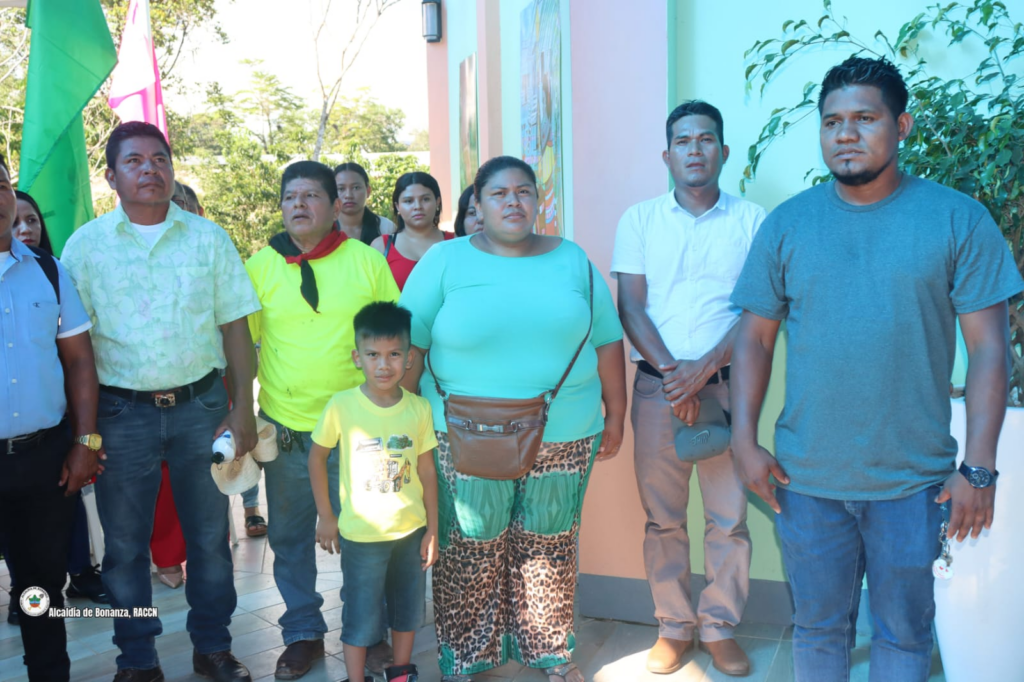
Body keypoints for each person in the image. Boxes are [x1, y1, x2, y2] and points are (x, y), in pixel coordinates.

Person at [729, 56, 1024, 682]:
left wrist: (979, 467)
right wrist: (742, 441)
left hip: (914, 483)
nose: (846, 134)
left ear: (902, 126)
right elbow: (753, 337)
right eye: (832, 121)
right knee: (818, 630)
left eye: (865, 118)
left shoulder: (957, 219)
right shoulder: (788, 225)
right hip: (806, 478)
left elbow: (989, 349)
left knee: (904, 637)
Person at [400, 155, 627, 682]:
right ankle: (465, 656)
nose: (513, 202)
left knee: (549, 543)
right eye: (498, 193)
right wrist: (401, 424)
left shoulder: (572, 260)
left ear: (538, 201)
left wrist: (616, 414)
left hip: (565, 431)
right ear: (477, 205)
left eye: (524, 191)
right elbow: (409, 344)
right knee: (469, 546)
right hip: (461, 432)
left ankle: (549, 650)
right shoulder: (444, 261)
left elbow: (608, 340)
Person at [61, 121, 261, 682]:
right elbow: (74, 348)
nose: (149, 169)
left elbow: (236, 329)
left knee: (210, 540)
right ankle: (138, 659)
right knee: (125, 547)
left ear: (171, 169)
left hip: (202, 409)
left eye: (159, 159)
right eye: (134, 161)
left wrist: (242, 410)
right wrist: (84, 431)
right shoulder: (85, 247)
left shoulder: (208, 239)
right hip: (121, 415)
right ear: (111, 176)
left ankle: (213, 648)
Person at [611, 101, 764, 677]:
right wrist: (676, 373)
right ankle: (674, 627)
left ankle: (720, 627)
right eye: (683, 140)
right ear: (667, 154)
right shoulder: (639, 220)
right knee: (663, 518)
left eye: (705, 139)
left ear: (723, 151)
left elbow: (759, 311)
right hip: (659, 390)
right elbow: (631, 306)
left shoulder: (753, 220)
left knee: (728, 518)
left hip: (728, 388)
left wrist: (702, 370)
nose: (694, 149)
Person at [244, 160, 400, 679]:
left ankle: (368, 635)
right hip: (287, 432)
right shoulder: (260, 265)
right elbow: (242, 345)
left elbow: (392, 338)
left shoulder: (366, 262)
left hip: (361, 433)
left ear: (335, 206)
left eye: (311, 195)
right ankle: (303, 633)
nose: (299, 204)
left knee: (367, 540)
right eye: (291, 196)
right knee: (289, 540)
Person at [0, 154, 104, 680]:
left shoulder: (48, 270)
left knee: (41, 587)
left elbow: (80, 361)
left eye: (0, 185)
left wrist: (86, 442)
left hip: (43, 460)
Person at [309, 301, 438, 682]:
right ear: (357, 358)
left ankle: (400, 672)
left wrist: (432, 529)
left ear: (409, 358)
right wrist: (326, 516)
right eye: (373, 355)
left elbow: (427, 471)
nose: (384, 365)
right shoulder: (342, 406)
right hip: (361, 536)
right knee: (361, 614)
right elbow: (316, 458)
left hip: (410, 532)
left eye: (394, 354)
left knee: (407, 611)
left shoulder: (419, 409)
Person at [169, 181, 268, 538]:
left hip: (221, 372)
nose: (176, 209)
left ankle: (251, 507)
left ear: (199, 211)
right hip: (183, 378)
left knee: (236, 438)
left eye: (182, 203)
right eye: (171, 203)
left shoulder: (213, 246)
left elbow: (237, 324)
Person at [371, 172, 454, 290]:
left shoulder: (456, 242)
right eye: (408, 201)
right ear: (397, 206)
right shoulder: (381, 246)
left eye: (425, 199)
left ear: (438, 201)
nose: (418, 206)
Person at [334, 162, 396, 245]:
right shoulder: (322, 229)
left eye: (356, 188)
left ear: (368, 191)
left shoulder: (386, 228)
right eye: (341, 189)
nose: (348, 195)